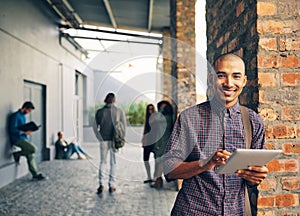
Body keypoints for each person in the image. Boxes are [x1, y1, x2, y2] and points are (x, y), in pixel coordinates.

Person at [163, 53, 269, 215]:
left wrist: (256, 176)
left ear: (244, 81)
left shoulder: (253, 122)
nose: (229, 83)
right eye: (221, 76)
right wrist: (206, 163)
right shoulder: (189, 118)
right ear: (211, 80)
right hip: (193, 210)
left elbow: (252, 178)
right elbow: (169, 170)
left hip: (236, 211)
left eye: (236, 76)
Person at [95, 93, 126, 194]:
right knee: (113, 163)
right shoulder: (119, 111)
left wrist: (99, 137)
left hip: (103, 139)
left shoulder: (99, 112)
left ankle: (101, 184)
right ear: (114, 100)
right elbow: (124, 127)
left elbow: (95, 127)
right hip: (114, 140)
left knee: (102, 162)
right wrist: (122, 138)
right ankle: (112, 184)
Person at [9, 101, 47, 181]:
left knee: (30, 155)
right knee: (33, 149)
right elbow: (12, 129)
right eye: (29, 110)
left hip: (24, 138)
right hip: (17, 139)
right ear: (25, 108)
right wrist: (24, 132)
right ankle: (17, 154)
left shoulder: (23, 116)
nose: (29, 112)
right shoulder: (15, 116)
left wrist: (29, 130)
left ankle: (35, 174)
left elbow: (23, 127)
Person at [151, 100, 175, 188]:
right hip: (160, 141)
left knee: (160, 161)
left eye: (162, 107)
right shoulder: (165, 117)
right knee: (159, 161)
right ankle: (159, 179)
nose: (161, 109)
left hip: (164, 142)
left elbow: (154, 119)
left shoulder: (166, 117)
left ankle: (158, 179)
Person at [141, 104, 156, 183]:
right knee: (145, 159)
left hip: (154, 141)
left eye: (152, 109)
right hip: (147, 141)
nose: (150, 111)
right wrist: (143, 139)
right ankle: (149, 176)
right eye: (149, 109)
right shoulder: (147, 119)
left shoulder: (156, 118)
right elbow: (145, 130)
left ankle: (155, 177)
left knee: (157, 160)